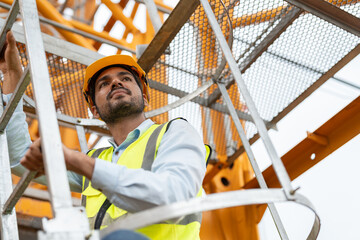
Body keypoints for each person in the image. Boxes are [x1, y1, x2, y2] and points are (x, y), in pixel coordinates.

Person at [2, 31, 209, 239]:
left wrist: (78, 161)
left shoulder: (175, 132)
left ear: (145, 97)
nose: (116, 83)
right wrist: (12, 77)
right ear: (94, 110)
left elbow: (175, 197)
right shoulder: (95, 159)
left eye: (126, 78)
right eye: (104, 84)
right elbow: (20, 157)